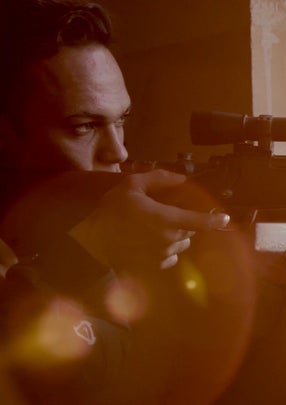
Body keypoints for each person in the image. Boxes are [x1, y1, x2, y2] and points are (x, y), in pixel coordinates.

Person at [0, 1, 255, 403]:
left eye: (121, 121)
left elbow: (113, 364)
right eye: (83, 126)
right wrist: (90, 252)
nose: (118, 152)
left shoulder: (73, 223)